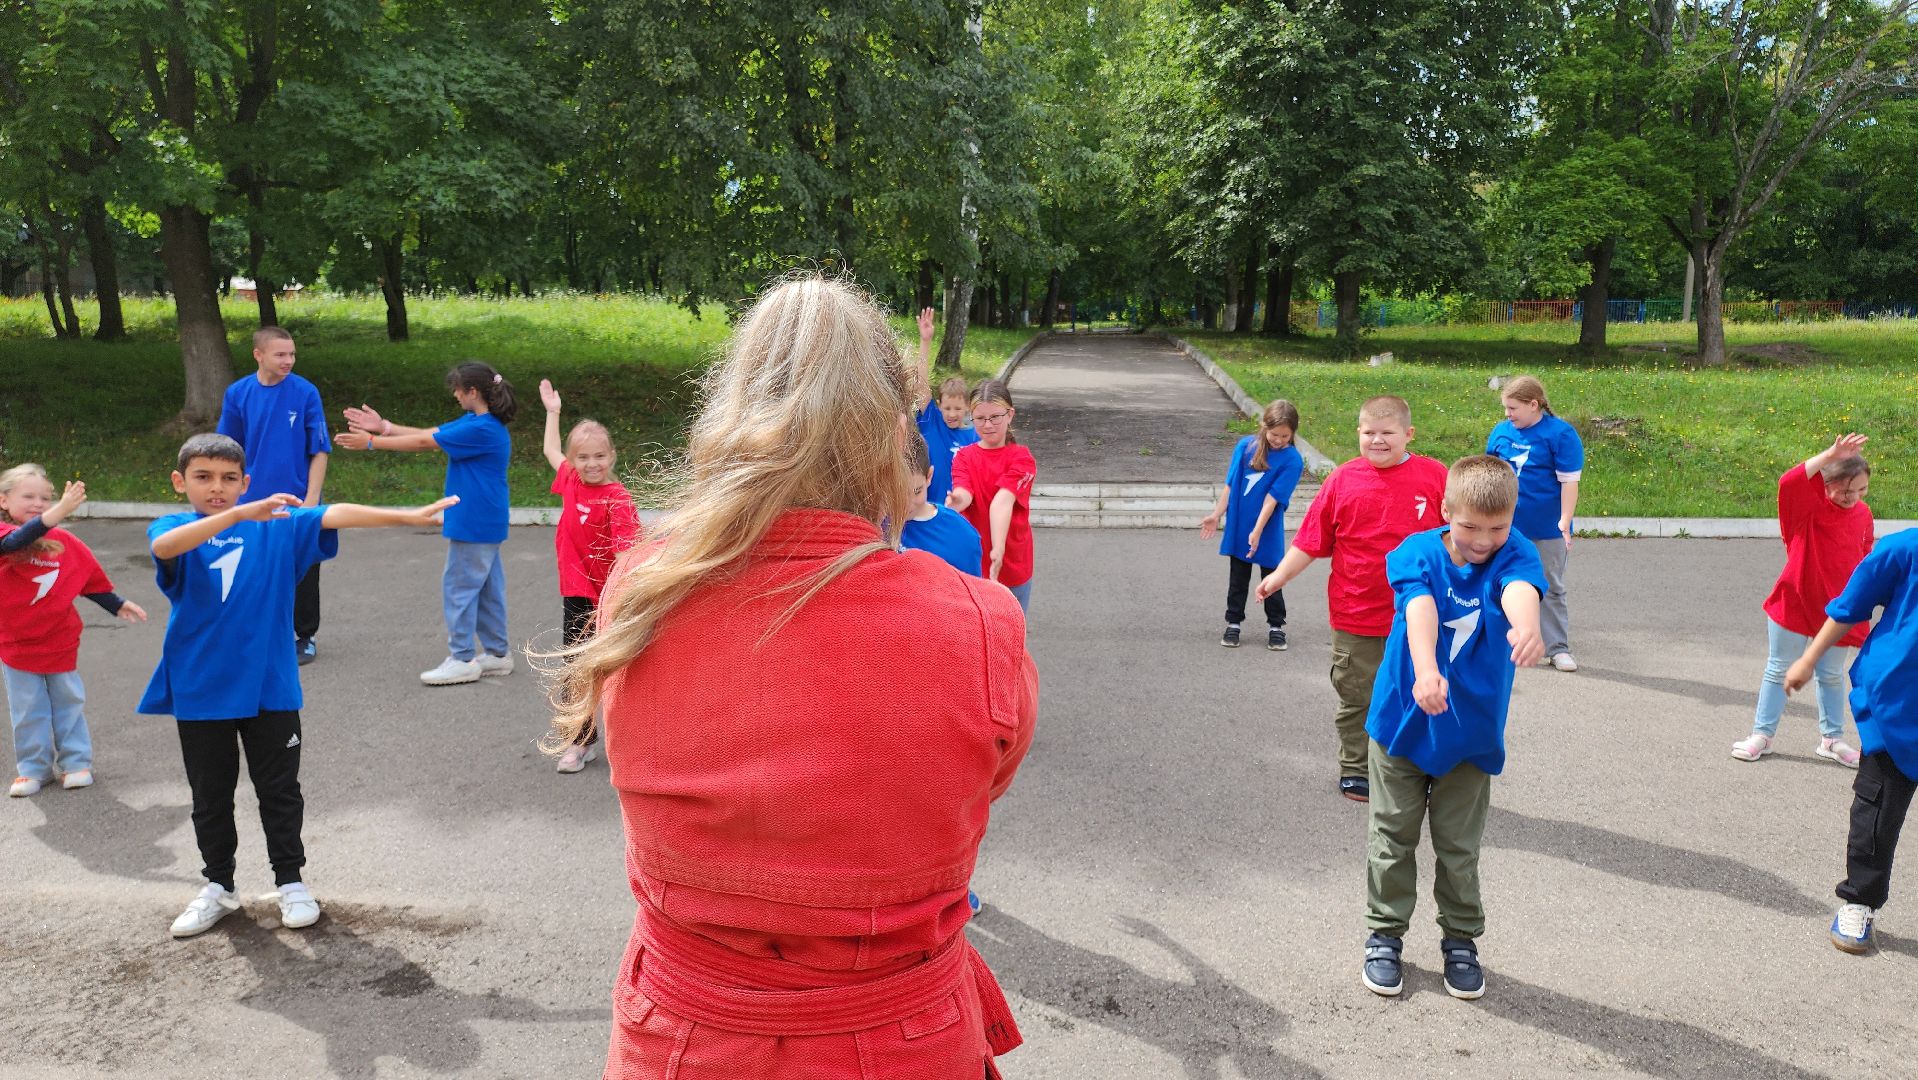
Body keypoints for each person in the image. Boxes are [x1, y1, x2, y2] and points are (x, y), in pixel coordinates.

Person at [551, 274, 1036, 1078]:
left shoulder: (640, 590)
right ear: (891, 430)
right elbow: (984, 776)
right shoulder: (979, 621)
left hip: (684, 1042)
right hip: (904, 1043)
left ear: (734, 408)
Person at [141, 433, 454, 938]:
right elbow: (163, 546)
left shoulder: (277, 527)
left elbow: (333, 513)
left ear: (246, 482)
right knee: (210, 795)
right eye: (203, 477)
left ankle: (291, 882)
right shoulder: (178, 525)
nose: (216, 488)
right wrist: (240, 516)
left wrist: (408, 516)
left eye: (228, 479)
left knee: (280, 790)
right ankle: (218, 886)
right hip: (202, 688)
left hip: (269, 686)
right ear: (181, 482)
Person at [1358, 455, 1545, 1000]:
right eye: (1469, 526)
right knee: (1391, 835)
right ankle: (1384, 934)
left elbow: (1520, 590)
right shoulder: (1416, 552)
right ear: (1445, 511)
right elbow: (1418, 609)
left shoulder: (1517, 553)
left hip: (1470, 736)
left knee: (1459, 847)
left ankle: (1460, 940)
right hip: (1403, 723)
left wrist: (1528, 627)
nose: (1484, 540)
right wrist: (1425, 670)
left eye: (1497, 527)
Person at [1256, 395, 1449, 802]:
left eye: (1387, 433)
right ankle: (1356, 767)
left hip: (1420, 616)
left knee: (1420, 694)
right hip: (1355, 613)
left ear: (1408, 434)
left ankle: (1412, 768)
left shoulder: (1435, 477)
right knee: (1356, 696)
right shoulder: (1342, 480)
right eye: (1368, 433)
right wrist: (1278, 576)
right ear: (1357, 434)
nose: (1377, 441)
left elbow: (1461, 537)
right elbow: (1311, 541)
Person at [333, 362, 517, 686]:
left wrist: (373, 443)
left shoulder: (482, 428)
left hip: (473, 520)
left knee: (459, 588)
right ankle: (497, 654)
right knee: (486, 589)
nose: (456, 395)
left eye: (458, 390)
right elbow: (431, 434)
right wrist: (385, 427)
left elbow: (424, 443)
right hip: (484, 518)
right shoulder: (480, 422)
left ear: (472, 392)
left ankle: (462, 658)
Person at [1785, 524, 1918, 954]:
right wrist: (1808, 659)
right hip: (1894, 703)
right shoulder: (1903, 548)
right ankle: (1859, 901)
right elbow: (1849, 607)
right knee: (1876, 812)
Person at [2, 466, 147, 797]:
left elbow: (88, 580)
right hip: (16, 644)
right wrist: (57, 513)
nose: (38, 503)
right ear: (4, 500)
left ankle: (76, 763)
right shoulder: (4, 535)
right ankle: (33, 769)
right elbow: (13, 543)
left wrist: (116, 603)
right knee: (27, 708)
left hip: (59, 640)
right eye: (28, 496)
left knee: (67, 702)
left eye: (45, 498)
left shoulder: (64, 541)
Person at [1734, 434, 1873, 766]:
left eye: (1861, 490)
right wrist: (1829, 455)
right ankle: (1761, 735)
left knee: (1831, 675)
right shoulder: (1806, 510)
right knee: (1778, 669)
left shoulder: (1863, 514)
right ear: (1825, 485)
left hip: (1838, 610)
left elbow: (1865, 556)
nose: (1853, 497)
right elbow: (1789, 482)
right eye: (1844, 490)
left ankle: (1832, 739)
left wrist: (1863, 600)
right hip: (1795, 601)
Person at [537, 378, 641, 774]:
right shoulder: (571, 482)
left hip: (612, 599)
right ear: (573, 460)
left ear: (612, 455)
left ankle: (635, 739)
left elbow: (627, 553)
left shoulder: (618, 499)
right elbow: (549, 449)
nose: (592, 464)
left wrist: (628, 597)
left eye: (599, 456)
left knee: (620, 671)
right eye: (583, 457)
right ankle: (580, 741)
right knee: (577, 669)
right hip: (578, 596)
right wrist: (553, 412)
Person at [217, 327, 332, 666]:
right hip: (252, 503)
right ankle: (258, 634)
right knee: (252, 570)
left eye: (292, 354)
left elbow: (320, 451)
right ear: (259, 355)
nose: (288, 361)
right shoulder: (238, 393)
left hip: (298, 502)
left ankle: (304, 636)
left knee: (303, 570)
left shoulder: (306, 392)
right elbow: (228, 451)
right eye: (280, 354)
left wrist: (312, 500)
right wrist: (229, 498)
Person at [1484, 375, 1584, 671]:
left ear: (1533, 404)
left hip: (1545, 529)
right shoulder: (1501, 432)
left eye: (1513, 408)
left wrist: (1564, 521)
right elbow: (1490, 473)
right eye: (1505, 408)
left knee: (1549, 586)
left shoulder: (1561, 435)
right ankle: (1501, 645)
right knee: (1497, 583)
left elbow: (1569, 483)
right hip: (1503, 527)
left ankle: (1557, 648)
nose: (1507, 414)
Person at [1200, 400, 1304, 651]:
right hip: (1239, 523)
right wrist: (1216, 514)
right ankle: (1233, 623)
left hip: (1266, 527)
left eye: (1285, 436)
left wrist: (1257, 531)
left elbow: (1272, 499)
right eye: (1275, 434)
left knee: (1272, 577)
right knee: (1238, 577)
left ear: (1293, 434)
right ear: (1264, 427)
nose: (1279, 440)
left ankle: (1276, 626)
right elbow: (1231, 484)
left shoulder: (1293, 459)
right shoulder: (1245, 447)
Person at [948, 379, 1038, 611]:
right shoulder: (964, 457)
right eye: (979, 419)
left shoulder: (1022, 458)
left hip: (1012, 564)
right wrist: (957, 501)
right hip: (974, 565)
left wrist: (997, 549)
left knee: (1012, 636)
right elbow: (964, 492)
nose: (987, 425)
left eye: (995, 417)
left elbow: (1002, 501)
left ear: (1010, 415)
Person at [909, 306, 979, 506]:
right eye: (947, 408)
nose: (952, 414)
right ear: (939, 406)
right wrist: (925, 341)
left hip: (962, 514)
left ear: (967, 407)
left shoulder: (975, 437)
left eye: (957, 409)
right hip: (931, 509)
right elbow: (921, 386)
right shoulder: (933, 423)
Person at [901, 430, 983, 576]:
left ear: (929, 476)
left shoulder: (962, 535)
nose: (906, 504)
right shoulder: (874, 524)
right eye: (897, 493)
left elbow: (971, 591)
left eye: (916, 491)